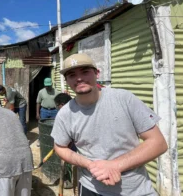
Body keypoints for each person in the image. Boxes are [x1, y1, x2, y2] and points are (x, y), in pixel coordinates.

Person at [50, 53, 168, 196]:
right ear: (67, 81)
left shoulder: (124, 99)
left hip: (134, 189)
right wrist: (90, 164)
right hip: (90, 187)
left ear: (97, 73)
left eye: (85, 72)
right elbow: (60, 147)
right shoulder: (65, 114)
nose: (79, 78)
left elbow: (158, 143)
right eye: (72, 75)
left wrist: (114, 166)